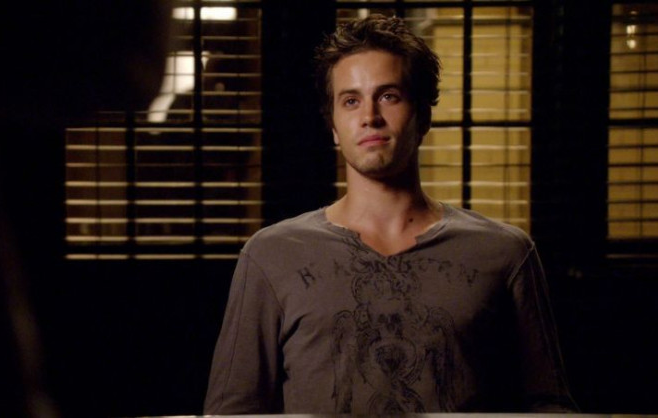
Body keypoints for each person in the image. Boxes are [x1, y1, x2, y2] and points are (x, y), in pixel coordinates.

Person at [204, 14, 578, 414]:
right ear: (334, 126)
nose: (370, 116)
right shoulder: (272, 256)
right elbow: (231, 414)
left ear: (423, 116)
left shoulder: (504, 254)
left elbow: (550, 408)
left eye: (389, 96)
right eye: (351, 101)